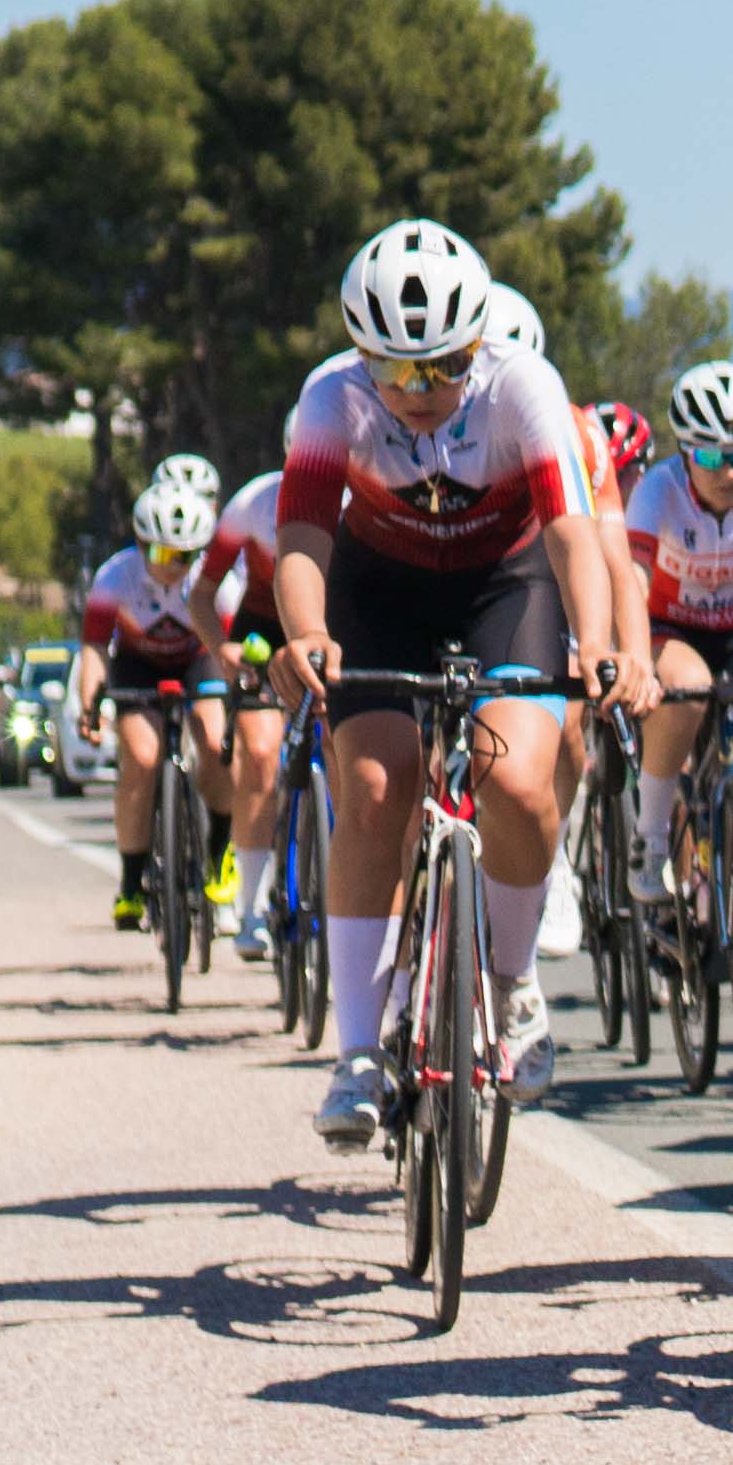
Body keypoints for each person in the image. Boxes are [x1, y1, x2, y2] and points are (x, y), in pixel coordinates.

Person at [267, 217, 647, 1149]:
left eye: (444, 365)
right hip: (379, 588)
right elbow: (305, 538)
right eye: (395, 372)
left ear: (482, 342)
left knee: (519, 782)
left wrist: (596, 642)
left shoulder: (525, 386)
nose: (422, 391)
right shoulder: (330, 400)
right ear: (361, 359)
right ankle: (357, 1053)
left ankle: (512, 988)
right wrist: (306, 635)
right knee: (372, 785)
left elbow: (571, 533)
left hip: (502, 585)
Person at [603, 355, 733, 896]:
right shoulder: (657, 492)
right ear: (686, 452)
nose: (731, 471)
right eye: (712, 456)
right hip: (672, 630)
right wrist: (637, 660)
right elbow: (634, 581)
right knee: (687, 688)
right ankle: (651, 834)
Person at [71, 452, 275, 928]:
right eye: (160, 554)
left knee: (212, 738)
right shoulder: (114, 577)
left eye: (183, 557)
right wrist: (89, 705)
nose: (171, 567)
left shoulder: (214, 587)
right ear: (141, 544)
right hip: (139, 665)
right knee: (141, 758)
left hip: (198, 657)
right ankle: (130, 883)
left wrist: (236, 697)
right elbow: (95, 649)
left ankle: (218, 853)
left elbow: (227, 649)